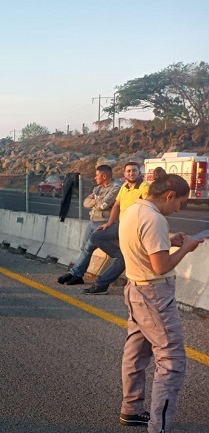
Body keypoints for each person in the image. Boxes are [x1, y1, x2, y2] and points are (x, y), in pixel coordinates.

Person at [117, 167, 203, 432]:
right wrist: (186, 248)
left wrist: (170, 240)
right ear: (169, 195)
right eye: (180, 202)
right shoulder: (155, 219)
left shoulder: (133, 210)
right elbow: (160, 266)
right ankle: (160, 427)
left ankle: (131, 409)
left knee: (136, 354)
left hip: (134, 288)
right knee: (172, 360)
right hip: (154, 295)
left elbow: (145, 246)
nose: (179, 208)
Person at [82, 162, 149, 294]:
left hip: (135, 229)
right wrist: (109, 223)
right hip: (121, 226)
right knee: (96, 236)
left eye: (134, 171)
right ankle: (119, 254)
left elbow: (148, 207)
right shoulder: (124, 186)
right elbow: (117, 205)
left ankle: (101, 285)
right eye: (128, 171)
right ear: (124, 174)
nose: (131, 173)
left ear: (139, 172)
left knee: (123, 260)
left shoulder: (144, 187)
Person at [57, 165, 120, 286]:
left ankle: (75, 273)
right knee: (84, 248)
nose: (95, 178)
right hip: (93, 221)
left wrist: (95, 201)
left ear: (104, 176)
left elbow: (104, 205)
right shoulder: (98, 188)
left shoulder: (116, 187)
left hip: (105, 223)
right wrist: (97, 201)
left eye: (97, 175)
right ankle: (77, 274)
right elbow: (85, 202)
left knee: (88, 248)